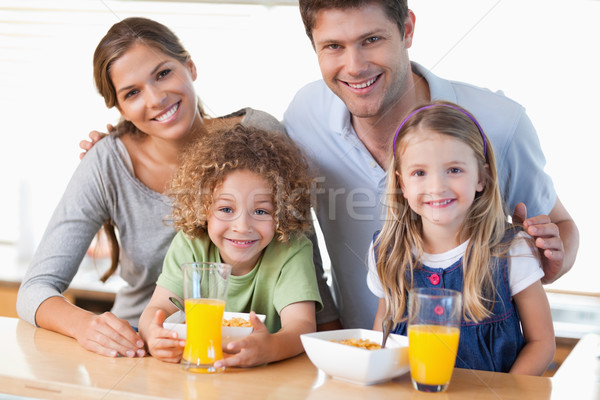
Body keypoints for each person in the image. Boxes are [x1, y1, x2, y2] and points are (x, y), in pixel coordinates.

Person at [283, 0, 578, 329]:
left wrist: (549, 259)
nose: (354, 66)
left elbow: (562, 226)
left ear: (407, 30)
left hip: (481, 368)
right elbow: (296, 236)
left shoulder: (500, 123)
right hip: (362, 359)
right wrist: (328, 324)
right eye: (334, 46)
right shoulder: (304, 116)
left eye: (372, 40)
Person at [17, 17, 286, 358]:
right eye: (132, 93)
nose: (156, 98)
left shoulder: (259, 136)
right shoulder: (106, 163)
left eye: (163, 74)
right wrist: (85, 325)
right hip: (140, 349)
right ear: (121, 109)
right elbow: (34, 289)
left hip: (251, 351)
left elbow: (304, 262)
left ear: (190, 66)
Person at [368, 101, 555, 375]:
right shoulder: (386, 252)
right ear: (402, 185)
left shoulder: (512, 250)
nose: (437, 187)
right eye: (420, 173)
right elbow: (380, 341)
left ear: (481, 177)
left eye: (454, 170)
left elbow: (542, 343)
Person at [139, 125, 322, 368]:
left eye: (261, 211)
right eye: (226, 209)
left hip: (267, 379)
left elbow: (302, 326)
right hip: (198, 367)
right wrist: (154, 335)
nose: (242, 226)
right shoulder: (191, 242)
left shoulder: (292, 249)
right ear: (204, 208)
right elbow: (157, 309)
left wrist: (270, 348)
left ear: (281, 212)